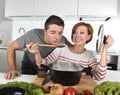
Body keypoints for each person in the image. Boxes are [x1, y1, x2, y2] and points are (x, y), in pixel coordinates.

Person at [27, 22, 114, 80]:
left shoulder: (90, 56)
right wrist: (37, 53)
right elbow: (42, 65)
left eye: (82, 33)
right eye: (75, 32)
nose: (77, 35)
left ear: (89, 37)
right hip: (57, 86)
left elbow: (99, 77)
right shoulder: (61, 49)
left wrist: (105, 48)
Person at [5, 15, 71, 80]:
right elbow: (11, 47)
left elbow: (74, 49)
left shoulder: (62, 40)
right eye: (53, 32)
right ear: (45, 31)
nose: (57, 37)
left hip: (48, 68)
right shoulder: (32, 34)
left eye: (60, 33)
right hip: (29, 65)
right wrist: (12, 69)